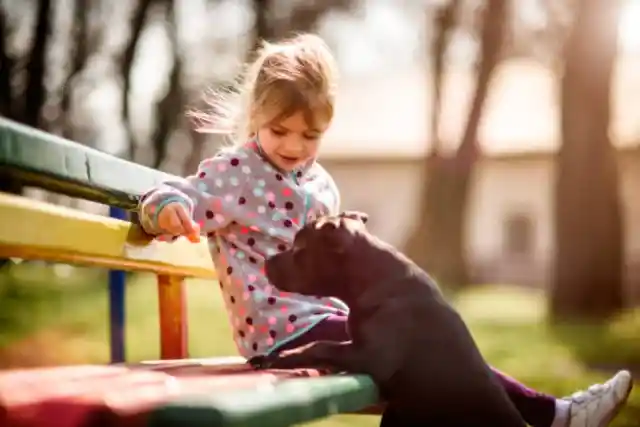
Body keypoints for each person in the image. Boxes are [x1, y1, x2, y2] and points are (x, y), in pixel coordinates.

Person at [138, 33, 633, 427]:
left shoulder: (319, 183)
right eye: (280, 130)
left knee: (430, 340)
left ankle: (546, 414)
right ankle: (550, 415)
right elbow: (180, 193)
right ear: (255, 119)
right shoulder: (233, 172)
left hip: (332, 319)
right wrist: (166, 210)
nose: (294, 145)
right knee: (420, 348)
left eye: (311, 135)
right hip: (280, 331)